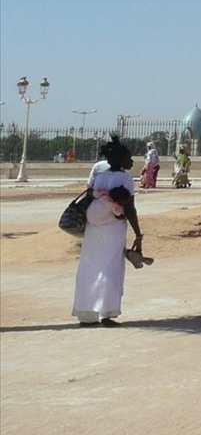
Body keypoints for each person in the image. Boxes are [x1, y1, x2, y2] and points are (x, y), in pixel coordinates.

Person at [73, 136, 145, 327]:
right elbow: (130, 209)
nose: (132, 161)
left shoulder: (99, 177)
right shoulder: (126, 179)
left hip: (93, 228)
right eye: (129, 158)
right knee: (111, 268)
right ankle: (107, 314)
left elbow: (91, 195)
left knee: (90, 267)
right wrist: (138, 234)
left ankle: (86, 314)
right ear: (122, 161)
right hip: (113, 228)